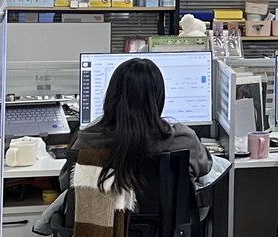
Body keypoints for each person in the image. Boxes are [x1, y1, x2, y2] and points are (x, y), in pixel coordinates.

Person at [59, 57, 212, 191]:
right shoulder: (183, 140)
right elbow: (205, 167)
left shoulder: (88, 140)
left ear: (112, 96)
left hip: (105, 215)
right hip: (164, 216)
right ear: (158, 98)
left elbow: (66, 183)